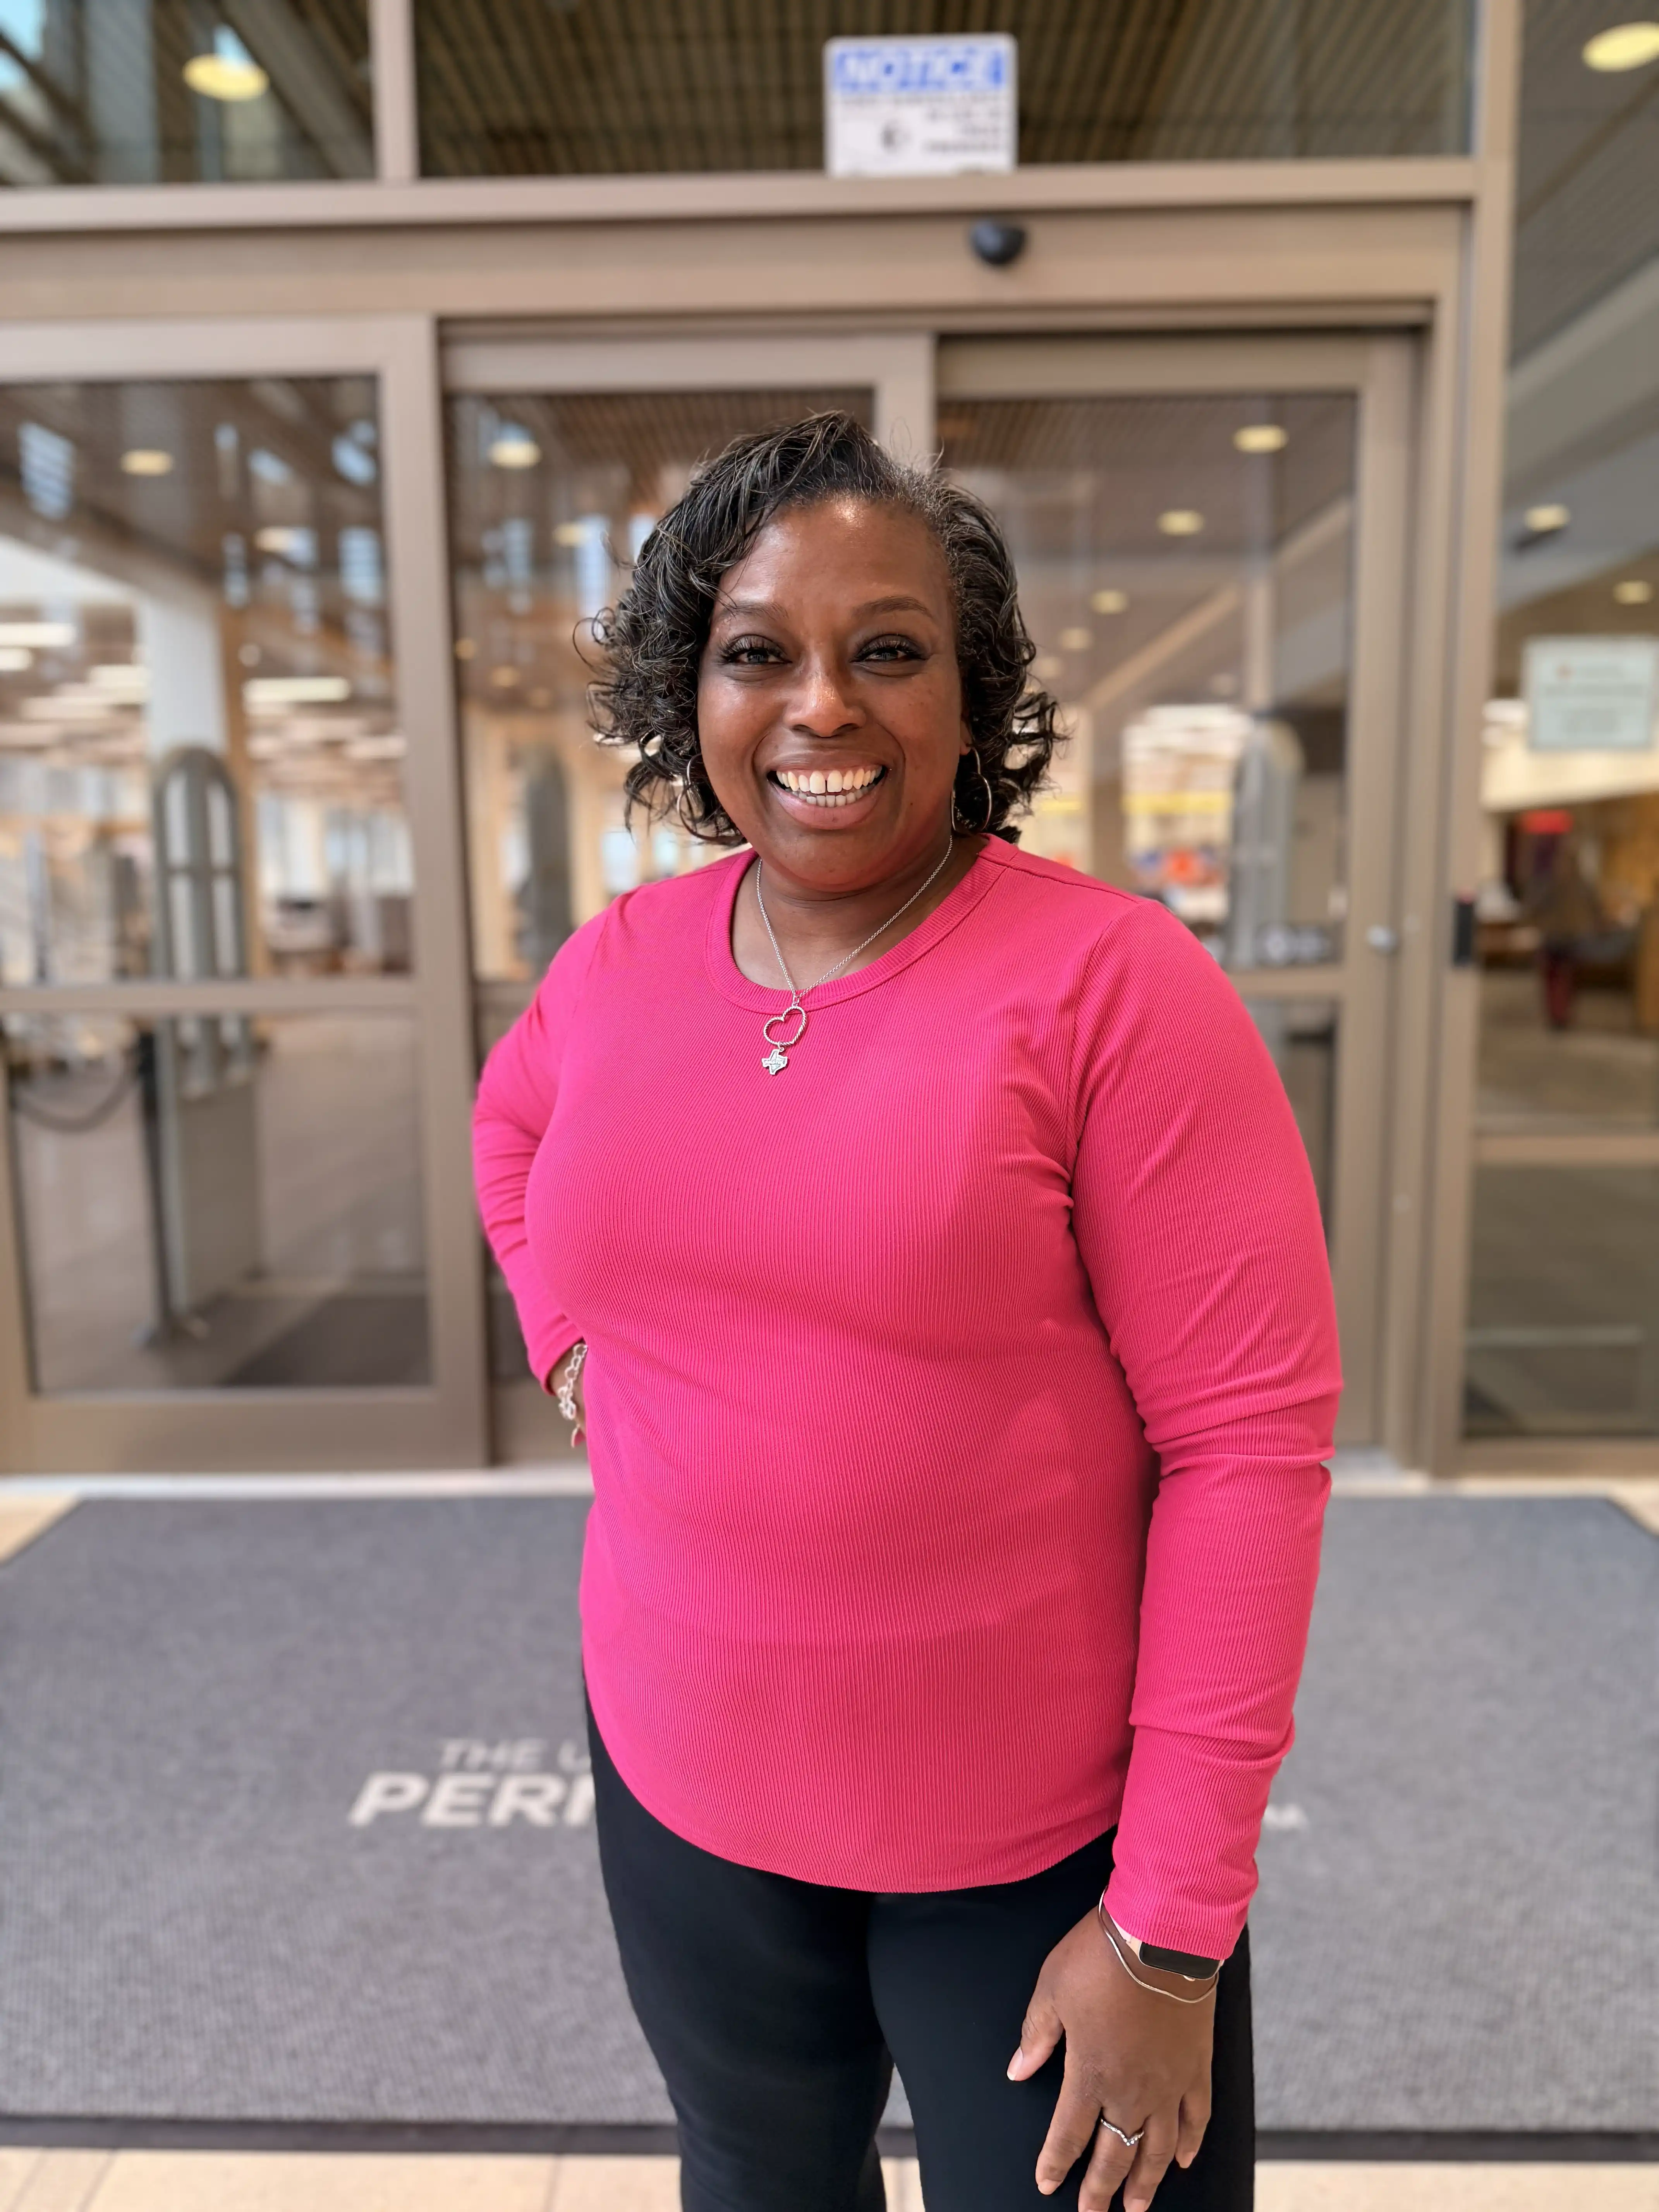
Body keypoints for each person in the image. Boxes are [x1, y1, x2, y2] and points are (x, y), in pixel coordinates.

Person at [473, 413, 1341, 2212]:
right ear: (684, 694)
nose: (822, 708)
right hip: (682, 1766)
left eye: (888, 650)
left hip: (1031, 1843)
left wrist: (1171, 1934)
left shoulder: (1111, 988)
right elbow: (512, 1129)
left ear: (971, 693)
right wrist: (571, 1336)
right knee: (754, 2177)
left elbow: (1248, 1453)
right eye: (756, 653)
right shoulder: (623, 963)